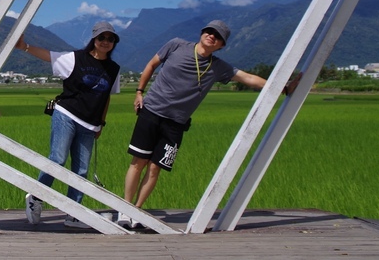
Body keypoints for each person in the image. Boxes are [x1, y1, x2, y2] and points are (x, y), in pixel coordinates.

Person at [118, 20, 300, 229]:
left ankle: (137, 211)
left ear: (221, 45)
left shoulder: (218, 67)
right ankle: (125, 208)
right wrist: (139, 92)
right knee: (138, 162)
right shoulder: (176, 45)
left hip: (176, 124)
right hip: (151, 112)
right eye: (210, 31)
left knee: (155, 168)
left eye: (218, 36)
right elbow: (151, 64)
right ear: (202, 32)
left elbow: (248, 78)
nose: (212, 36)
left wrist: (284, 88)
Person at [15, 21, 121, 228]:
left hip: (90, 124)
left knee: (81, 170)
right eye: (102, 37)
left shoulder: (113, 69)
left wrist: (101, 123)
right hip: (66, 115)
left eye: (110, 39)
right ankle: (36, 198)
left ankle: (73, 214)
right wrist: (24, 47)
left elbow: (106, 97)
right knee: (57, 159)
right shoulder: (76, 58)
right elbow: (49, 56)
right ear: (94, 39)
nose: (106, 42)